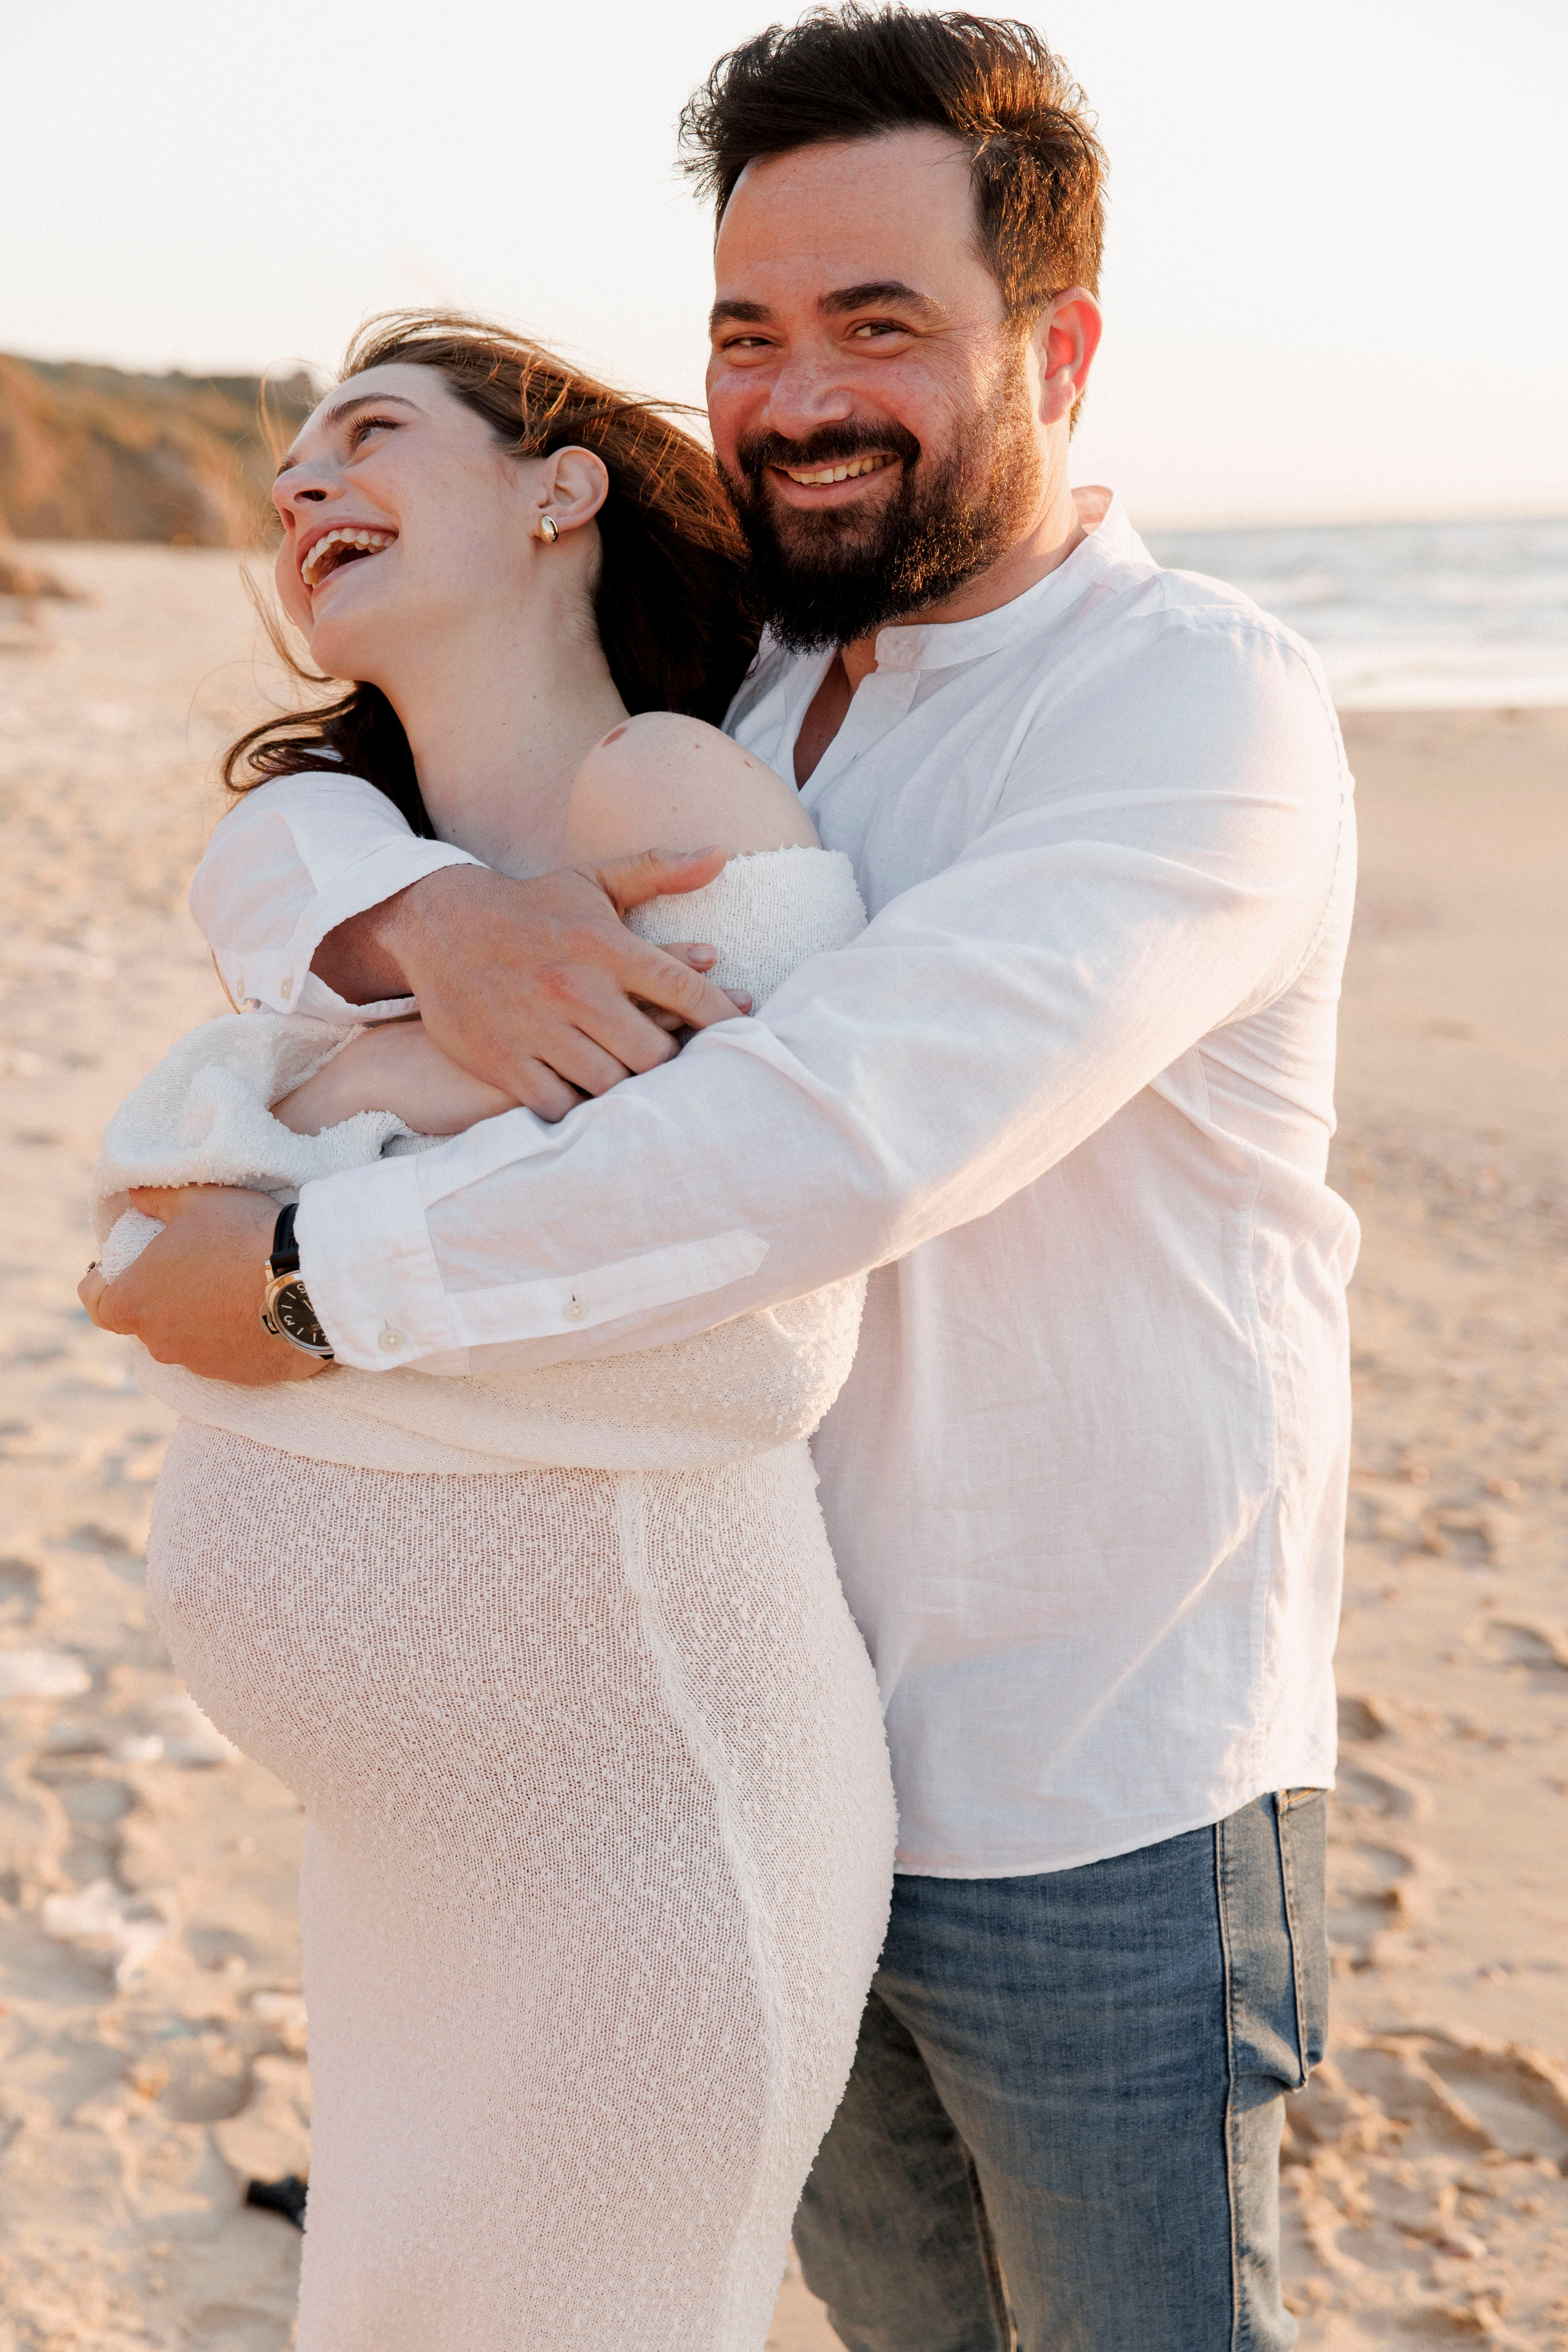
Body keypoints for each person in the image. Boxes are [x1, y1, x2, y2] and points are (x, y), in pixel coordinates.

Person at [87, 12, 1357, 2348]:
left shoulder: (1192, 715)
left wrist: (295, 1276)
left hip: (1088, 1779)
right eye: (750, 337)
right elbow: (330, 783)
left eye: (884, 327)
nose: (799, 397)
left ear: (1059, 344)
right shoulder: (752, 674)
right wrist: (404, 915)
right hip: (761, 1750)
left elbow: (822, 1144)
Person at [86, 318, 897, 2352]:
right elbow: (133, 1199)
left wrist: (304, 1186)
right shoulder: (339, 845)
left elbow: (746, 1323)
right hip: (408, 1860)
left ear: (561, 491)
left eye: (369, 433)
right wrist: (404, 1099)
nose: (299, 485)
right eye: (287, 465)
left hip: (641, 1840)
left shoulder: (666, 789)